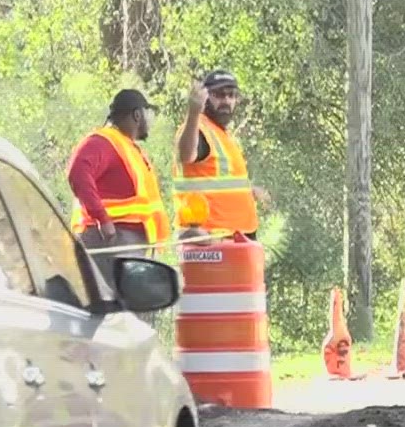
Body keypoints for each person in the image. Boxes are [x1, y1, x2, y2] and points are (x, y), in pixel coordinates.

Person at [67, 89, 168, 280]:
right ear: (137, 115)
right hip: (111, 242)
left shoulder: (126, 146)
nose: (150, 121)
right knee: (116, 305)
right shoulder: (103, 142)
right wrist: (103, 219)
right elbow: (77, 172)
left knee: (129, 305)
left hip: (122, 244)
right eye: (148, 114)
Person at [174, 69, 261, 240]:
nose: (226, 101)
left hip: (236, 236)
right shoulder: (198, 128)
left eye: (231, 95)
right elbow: (186, 154)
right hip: (211, 238)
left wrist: (247, 191)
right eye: (219, 95)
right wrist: (193, 113)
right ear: (205, 98)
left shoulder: (221, 134)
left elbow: (216, 181)